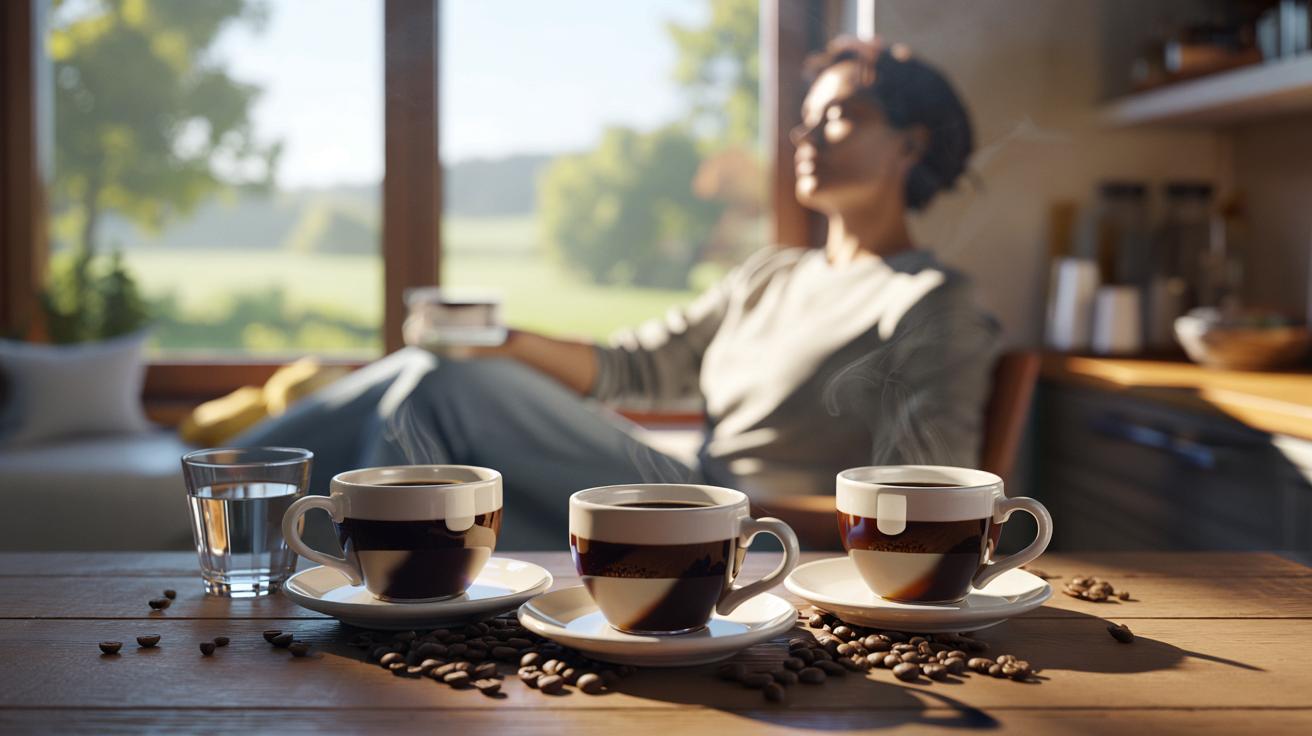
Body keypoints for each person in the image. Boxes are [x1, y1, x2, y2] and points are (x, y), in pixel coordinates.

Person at [235, 37, 998, 550]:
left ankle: (317, 564)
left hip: (727, 524)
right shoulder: (769, 274)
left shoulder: (930, 301)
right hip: (683, 489)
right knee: (430, 366)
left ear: (911, 142)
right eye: (803, 123)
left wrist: (745, 525)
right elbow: (634, 367)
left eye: (838, 117)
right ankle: (228, 509)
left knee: (442, 389)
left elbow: (929, 507)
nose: (807, 139)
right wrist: (500, 341)